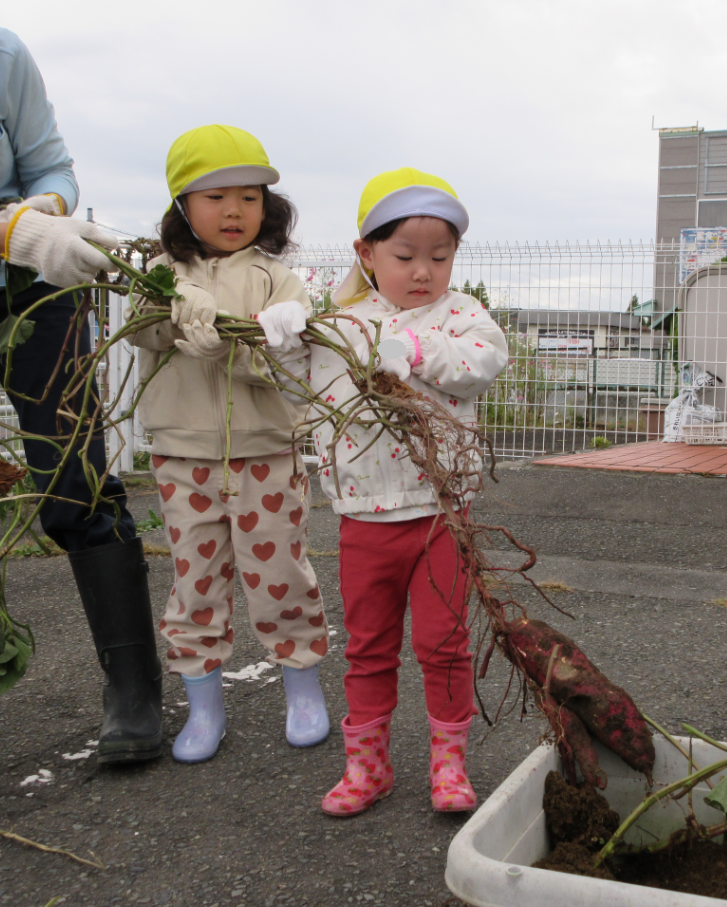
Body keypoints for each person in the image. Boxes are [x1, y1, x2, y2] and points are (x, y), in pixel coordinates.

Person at [257, 168, 509, 814]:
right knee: (368, 646)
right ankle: (367, 766)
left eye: (439, 256)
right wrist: (284, 344)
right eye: (403, 256)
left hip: (440, 517)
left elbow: (482, 362)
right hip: (363, 517)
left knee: (442, 642)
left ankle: (447, 765)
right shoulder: (341, 325)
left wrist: (414, 348)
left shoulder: (460, 315)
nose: (422, 271)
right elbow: (305, 396)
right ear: (366, 254)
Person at [128, 124, 329, 763]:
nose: (235, 210)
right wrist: (173, 304)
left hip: (267, 450)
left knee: (279, 574)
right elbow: (144, 331)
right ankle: (203, 709)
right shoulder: (160, 274)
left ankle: (302, 689)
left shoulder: (279, 280)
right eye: (215, 196)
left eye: (249, 195)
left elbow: (294, 358)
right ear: (183, 206)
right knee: (195, 579)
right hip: (184, 456)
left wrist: (273, 340)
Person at [0, 28, 161, 763]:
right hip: (23, 249)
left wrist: (50, 210)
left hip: (38, 295)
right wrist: (16, 230)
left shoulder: (4, 52)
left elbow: (50, 163)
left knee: (78, 481)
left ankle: (133, 691)